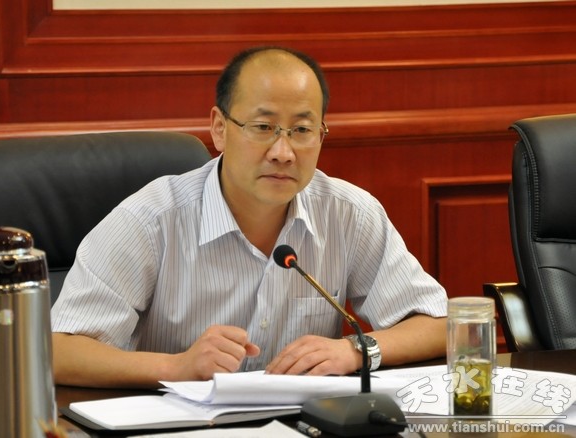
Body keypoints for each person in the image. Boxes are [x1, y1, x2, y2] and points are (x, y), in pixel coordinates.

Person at [51, 46, 448, 388]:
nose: (283, 152)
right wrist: (176, 367)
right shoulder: (150, 220)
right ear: (219, 129)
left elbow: (440, 323)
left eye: (302, 130)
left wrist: (356, 349)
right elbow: (56, 350)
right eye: (262, 127)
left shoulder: (349, 214)